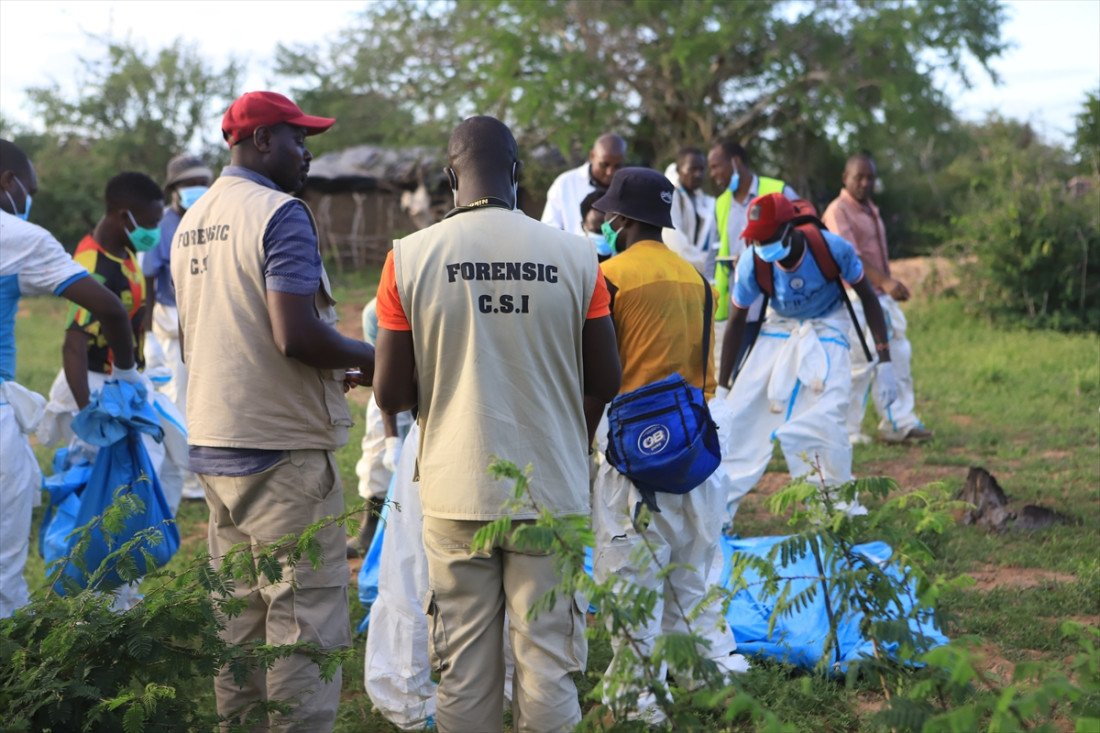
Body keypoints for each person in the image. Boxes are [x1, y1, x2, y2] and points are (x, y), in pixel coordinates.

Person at [373, 115, 621, 733]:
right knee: (548, 666)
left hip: (457, 493)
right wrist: (567, 434)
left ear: (450, 176)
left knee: (463, 670)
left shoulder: (407, 259)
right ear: (516, 174)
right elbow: (607, 379)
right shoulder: (579, 256)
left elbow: (390, 393)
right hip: (552, 492)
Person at [171, 91, 374, 731]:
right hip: (280, 459)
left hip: (213, 446)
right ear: (262, 141)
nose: (306, 152)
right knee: (301, 624)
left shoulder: (192, 220)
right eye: (297, 138)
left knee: (238, 621)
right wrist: (373, 356)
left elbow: (225, 333)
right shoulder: (280, 213)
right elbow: (295, 334)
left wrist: (324, 365)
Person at [590, 167, 744, 725]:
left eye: (611, 213)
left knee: (630, 574)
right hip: (691, 441)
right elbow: (703, 373)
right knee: (687, 571)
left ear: (624, 219)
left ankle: (638, 701)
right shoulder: (697, 280)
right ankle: (704, 676)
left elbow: (599, 373)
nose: (607, 221)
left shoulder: (607, 277)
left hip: (631, 447)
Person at [0, 138, 139, 617]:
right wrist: (128, 374)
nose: (28, 198)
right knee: (2, 578)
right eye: (29, 189)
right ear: (8, 183)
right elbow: (108, 308)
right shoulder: (18, 237)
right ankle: (19, 688)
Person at [716, 192, 897, 523]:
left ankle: (832, 514)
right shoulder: (752, 262)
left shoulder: (832, 248)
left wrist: (884, 362)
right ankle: (716, 515)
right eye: (756, 239)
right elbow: (737, 322)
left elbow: (869, 299)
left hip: (829, 323)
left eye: (768, 238)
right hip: (780, 325)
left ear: (789, 229)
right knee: (740, 419)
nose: (762, 245)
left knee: (824, 418)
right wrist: (724, 387)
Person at [37, 172, 189, 528]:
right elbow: (73, 346)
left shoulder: (124, 250)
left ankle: (138, 553)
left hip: (124, 379)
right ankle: (109, 567)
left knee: (167, 461)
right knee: (118, 481)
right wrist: (89, 416)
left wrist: (145, 341)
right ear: (125, 217)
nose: (153, 231)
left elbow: (137, 300)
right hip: (95, 384)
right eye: (150, 223)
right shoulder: (92, 268)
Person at [822, 155, 933, 444]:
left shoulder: (870, 208)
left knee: (897, 357)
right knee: (859, 363)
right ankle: (847, 431)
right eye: (859, 177)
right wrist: (884, 280)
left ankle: (899, 423)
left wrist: (886, 284)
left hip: (879, 297)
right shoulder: (838, 210)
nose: (865, 183)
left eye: (870, 177)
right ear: (845, 178)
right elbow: (850, 255)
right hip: (854, 297)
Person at [142, 155, 213, 502]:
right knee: (181, 401)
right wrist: (147, 334)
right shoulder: (162, 228)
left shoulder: (215, 219)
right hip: (173, 324)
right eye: (187, 185)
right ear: (173, 190)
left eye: (201, 183)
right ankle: (187, 481)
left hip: (212, 320)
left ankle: (212, 470)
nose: (196, 190)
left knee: (213, 398)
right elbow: (149, 280)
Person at [707, 141, 800, 350]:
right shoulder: (721, 203)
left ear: (735, 161)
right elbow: (713, 254)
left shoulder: (778, 191)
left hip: (777, 308)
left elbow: (802, 236)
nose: (712, 174)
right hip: (739, 310)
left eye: (716, 166)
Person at [349, 297, 413, 556]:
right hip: (394, 385)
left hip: (436, 383)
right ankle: (371, 526)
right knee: (377, 449)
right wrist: (392, 441)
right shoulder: (375, 312)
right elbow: (382, 378)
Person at [540, 132, 627, 235]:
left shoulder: (629, 187)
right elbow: (548, 230)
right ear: (592, 156)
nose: (610, 172)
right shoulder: (565, 184)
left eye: (617, 166)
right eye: (604, 165)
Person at [663, 146, 718, 279]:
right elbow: (673, 240)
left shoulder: (699, 197)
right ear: (679, 169)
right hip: (672, 272)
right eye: (692, 169)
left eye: (701, 169)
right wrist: (706, 262)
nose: (698, 174)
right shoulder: (668, 194)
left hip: (691, 272)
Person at [579, 189, 613, 262]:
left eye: (608, 230)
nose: (603, 236)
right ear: (583, 226)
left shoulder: (627, 258)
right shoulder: (571, 258)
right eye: (598, 231)